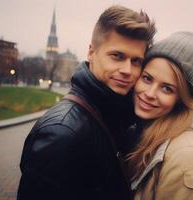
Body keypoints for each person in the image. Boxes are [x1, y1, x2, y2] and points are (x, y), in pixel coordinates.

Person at [17, 5, 156, 200]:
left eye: (136, 61)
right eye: (117, 56)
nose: (127, 70)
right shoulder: (62, 134)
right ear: (91, 52)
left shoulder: (116, 114)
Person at [127, 32, 193, 200]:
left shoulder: (190, 157)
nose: (149, 93)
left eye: (167, 88)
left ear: (182, 99)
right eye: (147, 78)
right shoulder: (141, 127)